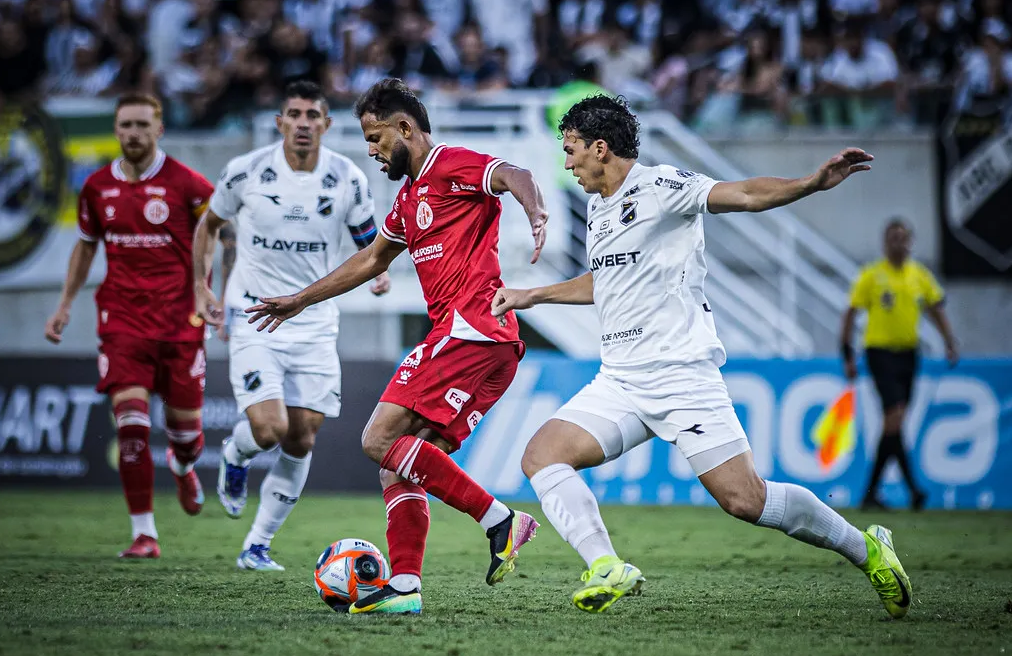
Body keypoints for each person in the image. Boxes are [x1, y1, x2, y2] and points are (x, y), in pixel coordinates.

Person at [491, 95, 912, 619]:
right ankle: (605, 566)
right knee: (541, 456)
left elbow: (746, 194)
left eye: (572, 149)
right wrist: (533, 295)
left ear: (601, 148)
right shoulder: (599, 209)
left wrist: (809, 183)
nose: (568, 162)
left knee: (745, 500)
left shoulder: (663, 188)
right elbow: (607, 282)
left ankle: (865, 546)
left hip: (681, 374)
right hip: (621, 380)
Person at [244, 77, 549, 615]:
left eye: (376, 136)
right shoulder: (408, 200)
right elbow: (370, 260)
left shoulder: (452, 163)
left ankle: (500, 521)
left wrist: (535, 209)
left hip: (471, 329)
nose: (371, 149)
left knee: (377, 438)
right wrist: (300, 300)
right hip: (479, 343)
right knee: (397, 466)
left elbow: (513, 174)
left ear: (405, 127)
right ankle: (405, 590)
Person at [190, 80, 391, 572]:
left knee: (301, 438)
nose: (303, 123)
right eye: (294, 114)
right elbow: (209, 225)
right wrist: (202, 284)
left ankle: (257, 545)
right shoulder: (246, 172)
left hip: (316, 321)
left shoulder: (348, 178)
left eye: (312, 115)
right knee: (269, 427)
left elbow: (372, 242)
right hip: (256, 316)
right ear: (280, 122)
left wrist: (380, 275)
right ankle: (235, 456)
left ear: (326, 124)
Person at [44, 93, 215, 558]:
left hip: (181, 324)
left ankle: (182, 467)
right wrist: (64, 304)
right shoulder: (98, 187)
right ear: (117, 130)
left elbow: (216, 231)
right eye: (125, 125)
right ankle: (145, 533)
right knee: (132, 427)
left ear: (159, 129)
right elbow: (84, 246)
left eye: (142, 125)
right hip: (121, 322)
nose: (133, 134)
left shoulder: (188, 185)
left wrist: (205, 288)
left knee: (187, 438)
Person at [841, 219, 958, 511]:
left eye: (903, 238)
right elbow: (850, 314)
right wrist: (847, 354)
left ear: (911, 243)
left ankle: (878, 494)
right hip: (879, 353)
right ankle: (908, 489)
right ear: (884, 243)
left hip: (909, 355)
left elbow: (936, 309)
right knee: (894, 417)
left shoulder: (919, 276)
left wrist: (949, 341)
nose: (898, 243)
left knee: (895, 423)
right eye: (893, 238)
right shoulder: (872, 275)